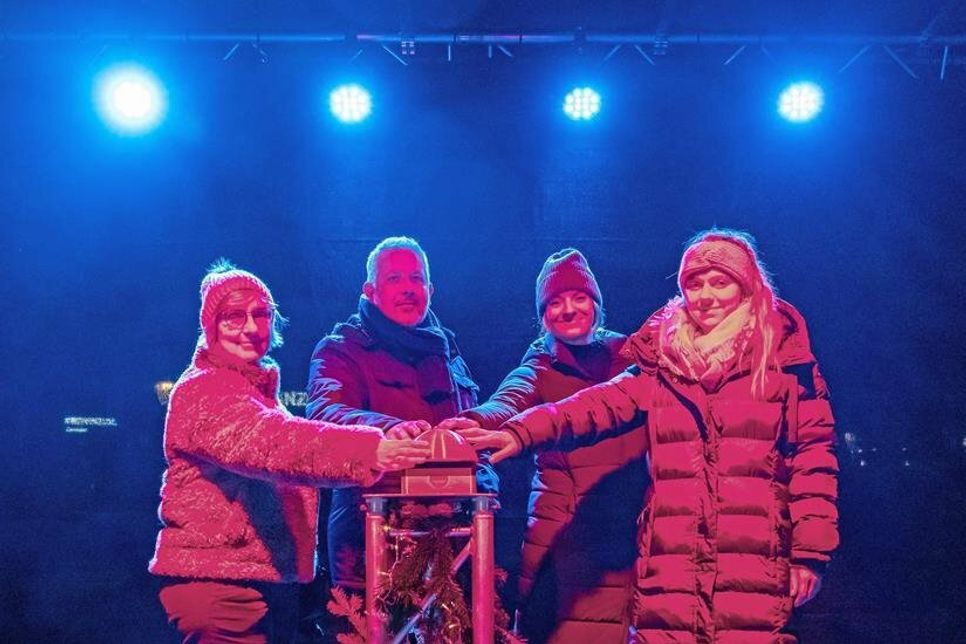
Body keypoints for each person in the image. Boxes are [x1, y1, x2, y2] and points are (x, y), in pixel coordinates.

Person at [466, 230, 839, 643]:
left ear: (747, 285)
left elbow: (813, 458)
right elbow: (594, 406)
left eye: (720, 281)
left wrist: (810, 553)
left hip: (752, 558)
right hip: (671, 559)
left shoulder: (785, 362)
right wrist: (518, 433)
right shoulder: (664, 362)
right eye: (694, 284)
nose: (706, 296)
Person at [149, 260, 430, 644]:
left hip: (252, 582)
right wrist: (370, 449)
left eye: (261, 315)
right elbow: (275, 442)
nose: (251, 328)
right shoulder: (205, 389)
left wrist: (383, 434)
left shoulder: (250, 392)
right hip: (220, 585)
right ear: (209, 326)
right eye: (233, 317)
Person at [460, 249, 647, 643]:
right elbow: (506, 402)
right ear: (543, 317)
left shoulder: (633, 359)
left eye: (578, 298)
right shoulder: (540, 367)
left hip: (630, 533)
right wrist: (471, 425)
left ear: (596, 303)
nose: (568, 310)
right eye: (555, 303)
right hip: (564, 538)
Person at [305, 236, 498, 592]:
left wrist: (481, 483)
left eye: (416, 279)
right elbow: (323, 411)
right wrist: (389, 431)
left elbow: (473, 436)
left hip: (454, 546)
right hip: (370, 545)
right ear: (370, 289)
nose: (408, 289)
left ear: (431, 289)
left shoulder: (447, 352)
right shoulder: (341, 348)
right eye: (394, 279)